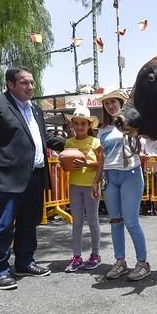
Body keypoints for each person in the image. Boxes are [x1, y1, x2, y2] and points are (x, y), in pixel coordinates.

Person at [0, 66, 65, 290]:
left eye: (32, 82)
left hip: (34, 176)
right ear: (10, 84)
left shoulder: (35, 109)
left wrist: (75, 143)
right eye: (24, 83)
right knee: (2, 226)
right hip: (6, 177)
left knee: (29, 223)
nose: (30, 86)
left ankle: (24, 262)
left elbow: (45, 138)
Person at [94, 89, 150, 281]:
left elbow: (146, 142)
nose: (110, 106)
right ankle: (120, 262)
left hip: (130, 174)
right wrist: (96, 180)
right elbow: (102, 158)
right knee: (115, 221)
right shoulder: (103, 130)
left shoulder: (132, 124)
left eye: (113, 102)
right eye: (107, 103)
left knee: (131, 221)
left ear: (121, 102)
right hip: (111, 177)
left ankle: (143, 263)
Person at [63, 106, 104, 272]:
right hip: (74, 185)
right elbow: (66, 165)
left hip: (90, 185)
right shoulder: (69, 143)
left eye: (83, 124)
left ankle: (95, 255)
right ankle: (77, 256)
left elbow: (101, 164)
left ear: (89, 125)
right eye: (76, 123)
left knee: (93, 221)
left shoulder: (96, 142)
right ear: (72, 125)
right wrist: (66, 165)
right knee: (77, 222)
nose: (79, 127)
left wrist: (87, 164)